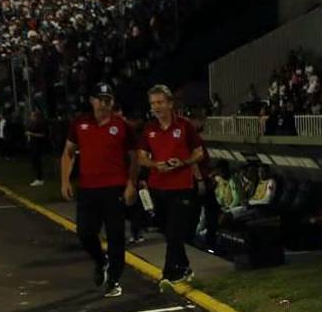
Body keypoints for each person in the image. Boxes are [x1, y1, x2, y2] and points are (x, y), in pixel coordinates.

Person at [60, 83, 137, 298]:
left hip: (114, 189)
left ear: (112, 102)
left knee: (115, 236)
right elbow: (68, 152)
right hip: (88, 189)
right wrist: (65, 180)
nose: (104, 104)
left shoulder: (122, 126)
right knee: (85, 232)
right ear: (91, 101)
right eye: (100, 99)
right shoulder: (80, 123)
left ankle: (114, 279)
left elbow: (133, 157)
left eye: (108, 99)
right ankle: (100, 260)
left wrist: (131, 183)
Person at [136, 84, 205, 287]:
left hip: (181, 185)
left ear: (169, 104)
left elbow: (199, 152)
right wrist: (155, 164)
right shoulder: (149, 130)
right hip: (158, 185)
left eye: (160, 102)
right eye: (153, 103)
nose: (156, 107)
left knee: (175, 230)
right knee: (168, 230)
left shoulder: (184, 126)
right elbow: (141, 157)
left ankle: (169, 272)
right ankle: (183, 266)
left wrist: (183, 162)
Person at [25, 107, 46, 186]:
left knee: (38, 162)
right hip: (32, 145)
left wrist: (31, 134)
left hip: (37, 146)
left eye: (33, 116)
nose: (31, 117)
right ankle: (38, 178)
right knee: (34, 162)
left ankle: (39, 179)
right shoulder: (32, 123)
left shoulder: (40, 124)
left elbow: (42, 135)